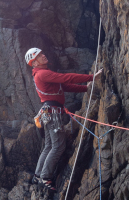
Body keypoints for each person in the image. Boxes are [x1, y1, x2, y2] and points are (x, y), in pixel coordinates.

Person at [25, 48, 101, 190]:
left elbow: (64, 86)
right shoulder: (43, 74)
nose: (44, 55)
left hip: (48, 113)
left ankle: (38, 175)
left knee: (49, 146)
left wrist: (85, 88)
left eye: (43, 53)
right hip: (53, 114)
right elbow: (66, 78)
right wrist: (91, 77)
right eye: (40, 55)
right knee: (58, 146)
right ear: (34, 62)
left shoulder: (40, 74)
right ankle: (45, 177)